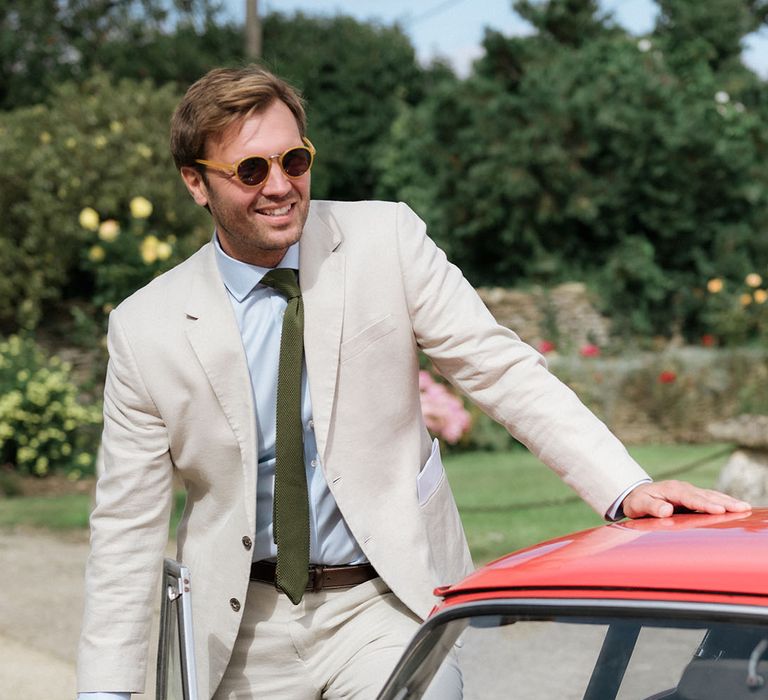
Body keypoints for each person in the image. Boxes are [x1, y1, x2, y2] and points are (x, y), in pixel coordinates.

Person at [76, 65, 749, 700]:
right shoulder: (147, 327)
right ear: (197, 182)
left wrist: (625, 485)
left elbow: (499, 367)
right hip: (240, 629)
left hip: (384, 601)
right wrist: (107, 687)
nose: (280, 185)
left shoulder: (386, 239)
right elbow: (126, 522)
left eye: (295, 160)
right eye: (251, 170)